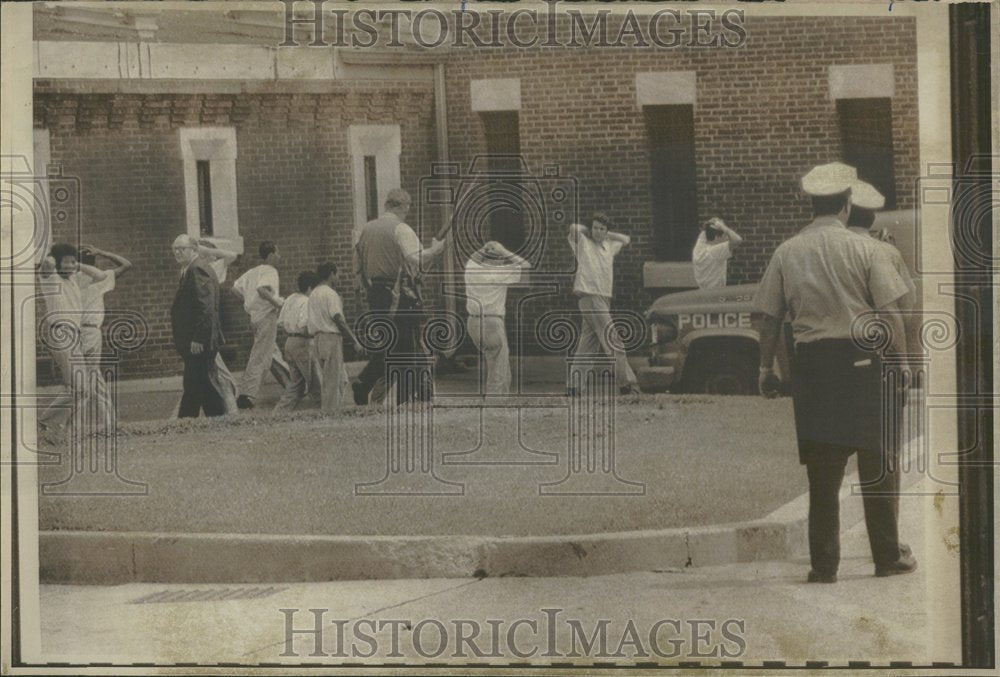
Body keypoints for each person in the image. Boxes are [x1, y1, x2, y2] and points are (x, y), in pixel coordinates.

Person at [755, 161, 917, 583]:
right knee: (878, 463)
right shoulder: (866, 250)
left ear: (813, 204)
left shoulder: (786, 251)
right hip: (865, 364)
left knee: (823, 474)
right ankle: (887, 557)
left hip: (814, 370)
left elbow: (768, 317)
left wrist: (764, 368)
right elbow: (889, 313)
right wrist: (902, 366)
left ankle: (824, 564)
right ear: (847, 204)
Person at [353, 188, 446, 405]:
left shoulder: (366, 230)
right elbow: (417, 259)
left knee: (392, 344)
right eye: (408, 207)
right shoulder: (401, 229)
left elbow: (357, 265)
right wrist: (436, 250)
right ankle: (412, 395)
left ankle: (372, 383)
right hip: (399, 294)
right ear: (403, 206)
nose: (408, 212)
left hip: (375, 293)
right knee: (408, 345)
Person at [37, 243, 114, 434]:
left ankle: (49, 423)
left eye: (74, 262)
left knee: (82, 389)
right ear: (58, 262)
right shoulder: (51, 278)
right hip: (60, 332)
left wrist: (75, 264)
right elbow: (47, 263)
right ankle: (47, 422)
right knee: (78, 387)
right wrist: (56, 254)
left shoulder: (75, 279)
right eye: (68, 262)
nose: (72, 266)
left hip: (75, 335)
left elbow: (101, 275)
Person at [567, 212, 640, 396]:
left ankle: (574, 386)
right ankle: (627, 384)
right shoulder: (583, 243)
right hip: (590, 296)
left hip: (602, 298)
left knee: (588, 344)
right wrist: (590, 230)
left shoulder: (609, 245)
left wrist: (607, 234)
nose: (598, 232)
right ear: (590, 229)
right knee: (613, 339)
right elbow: (574, 228)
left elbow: (626, 239)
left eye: (601, 228)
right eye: (595, 228)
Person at [847, 182, 921, 357]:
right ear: (872, 216)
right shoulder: (887, 251)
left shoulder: (830, 248)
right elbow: (906, 305)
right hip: (879, 342)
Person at [170, 239, 240, 417]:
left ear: (194, 250)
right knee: (201, 383)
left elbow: (206, 307)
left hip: (199, 340)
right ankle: (217, 419)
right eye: (174, 249)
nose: (177, 253)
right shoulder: (191, 269)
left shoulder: (197, 269)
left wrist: (198, 338)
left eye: (181, 249)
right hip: (197, 339)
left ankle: (186, 421)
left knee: (196, 383)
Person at [464, 240, 532, 395]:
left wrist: (486, 247)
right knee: (498, 368)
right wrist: (503, 250)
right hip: (491, 322)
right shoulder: (499, 273)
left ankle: (497, 401)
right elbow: (526, 266)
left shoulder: (472, 268)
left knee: (493, 361)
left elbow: (473, 257)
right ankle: (496, 405)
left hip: (473, 323)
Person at [233, 241, 289, 410]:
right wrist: (278, 304)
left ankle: (292, 384)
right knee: (260, 355)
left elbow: (235, 288)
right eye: (277, 253)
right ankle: (247, 394)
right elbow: (262, 290)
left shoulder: (252, 272)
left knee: (271, 353)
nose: (279, 257)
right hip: (266, 316)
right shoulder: (270, 271)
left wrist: (250, 302)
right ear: (271, 255)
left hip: (255, 317)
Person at [308, 262, 363, 413]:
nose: (338, 278)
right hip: (331, 337)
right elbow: (338, 318)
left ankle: (333, 410)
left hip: (317, 338)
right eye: (337, 274)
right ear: (332, 274)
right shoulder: (330, 293)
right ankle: (331, 413)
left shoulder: (313, 294)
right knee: (333, 380)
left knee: (331, 379)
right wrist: (354, 340)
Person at [274, 270, 321, 412]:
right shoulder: (307, 302)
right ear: (310, 288)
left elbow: (281, 322)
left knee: (297, 384)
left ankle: (279, 413)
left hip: (289, 342)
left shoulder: (291, 298)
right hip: (302, 342)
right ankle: (324, 409)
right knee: (314, 381)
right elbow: (305, 325)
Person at [692, 217, 743, 290]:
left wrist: (711, 223)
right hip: (715, 293)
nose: (727, 238)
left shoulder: (698, 248)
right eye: (725, 236)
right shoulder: (715, 252)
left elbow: (705, 231)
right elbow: (738, 240)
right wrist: (723, 227)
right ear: (716, 237)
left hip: (703, 292)